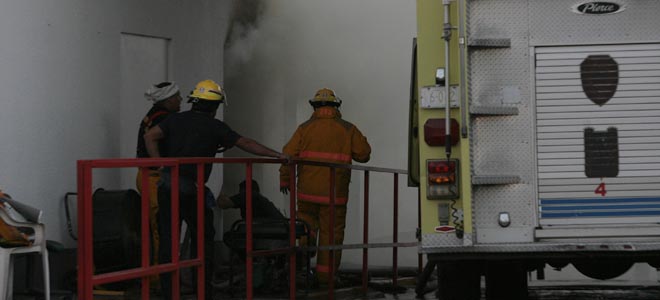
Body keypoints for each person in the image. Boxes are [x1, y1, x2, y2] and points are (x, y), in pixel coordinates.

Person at [143, 79, 287, 300]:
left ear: (194, 101)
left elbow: (149, 136)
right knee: (203, 240)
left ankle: (168, 293)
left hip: (167, 186)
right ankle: (203, 292)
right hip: (191, 190)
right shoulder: (215, 126)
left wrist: (161, 164)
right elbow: (246, 143)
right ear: (214, 106)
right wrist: (278, 155)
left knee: (167, 241)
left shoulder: (174, 120)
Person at [279, 88, 371, 286]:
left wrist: (285, 179)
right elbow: (364, 154)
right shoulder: (348, 129)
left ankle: (302, 266)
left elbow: (287, 154)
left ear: (315, 107)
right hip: (334, 196)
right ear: (336, 106)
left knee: (305, 228)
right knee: (331, 237)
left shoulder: (304, 129)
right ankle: (326, 279)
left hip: (306, 194)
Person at [135, 81, 182, 280]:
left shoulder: (153, 115)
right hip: (154, 177)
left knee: (159, 226)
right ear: (168, 100)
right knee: (161, 228)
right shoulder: (164, 119)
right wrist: (161, 164)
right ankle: (157, 277)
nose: (180, 100)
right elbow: (151, 138)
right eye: (177, 97)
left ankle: (160, 274)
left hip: (148, 176)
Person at [217, 179, 286, 221]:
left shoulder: (248, 194)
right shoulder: (257, 197)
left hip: (268, 231)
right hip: (277, 231)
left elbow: (223, 204)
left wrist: (218, 194)